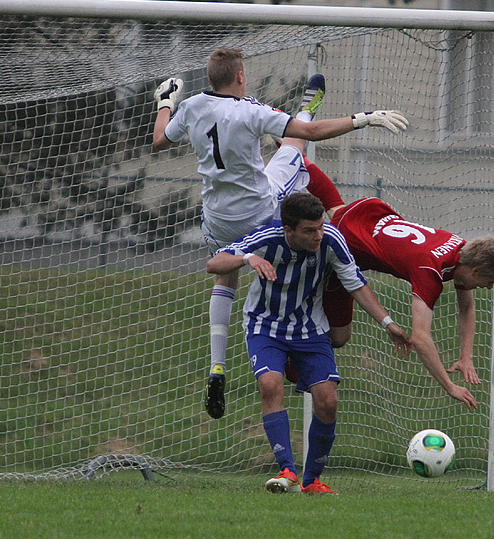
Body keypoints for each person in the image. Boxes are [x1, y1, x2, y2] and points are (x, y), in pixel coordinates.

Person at [151, 48, 408, 420]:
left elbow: (159, 140)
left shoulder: (190, 106)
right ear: (240, 76)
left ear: (210, 78)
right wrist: (363, 118)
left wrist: (164, 102)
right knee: (293, 145)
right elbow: (312, 134)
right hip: (260, 210)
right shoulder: (250, 110)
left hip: (217, 217)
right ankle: (308, 105)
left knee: (226, 276)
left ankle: (217, 365)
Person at [205, 192, 410, 494]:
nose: (318, 235)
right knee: (270, 385)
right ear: (289, 230)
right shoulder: (267, 237)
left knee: (328, 402)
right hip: (265, 327)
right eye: (309, 230)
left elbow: (356, 284)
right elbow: (214, 264)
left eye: (320, 227)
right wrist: (249, 258)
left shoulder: (331, 240)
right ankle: (286, 470)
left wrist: (388, 323)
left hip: (310, 330)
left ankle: (312, 480)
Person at [302, 164, 494, 410]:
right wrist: (449, 386)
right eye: (489, 282)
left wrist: (465, 358)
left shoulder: (462, 249)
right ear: (476, 271)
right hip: (349, 241)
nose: (488, 288)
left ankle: (296, 153)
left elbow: (466, 308)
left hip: (371, 211)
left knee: (337, 209)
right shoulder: (430, 271)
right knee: (339, 337)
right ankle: (292, 349)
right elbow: (421, 338)